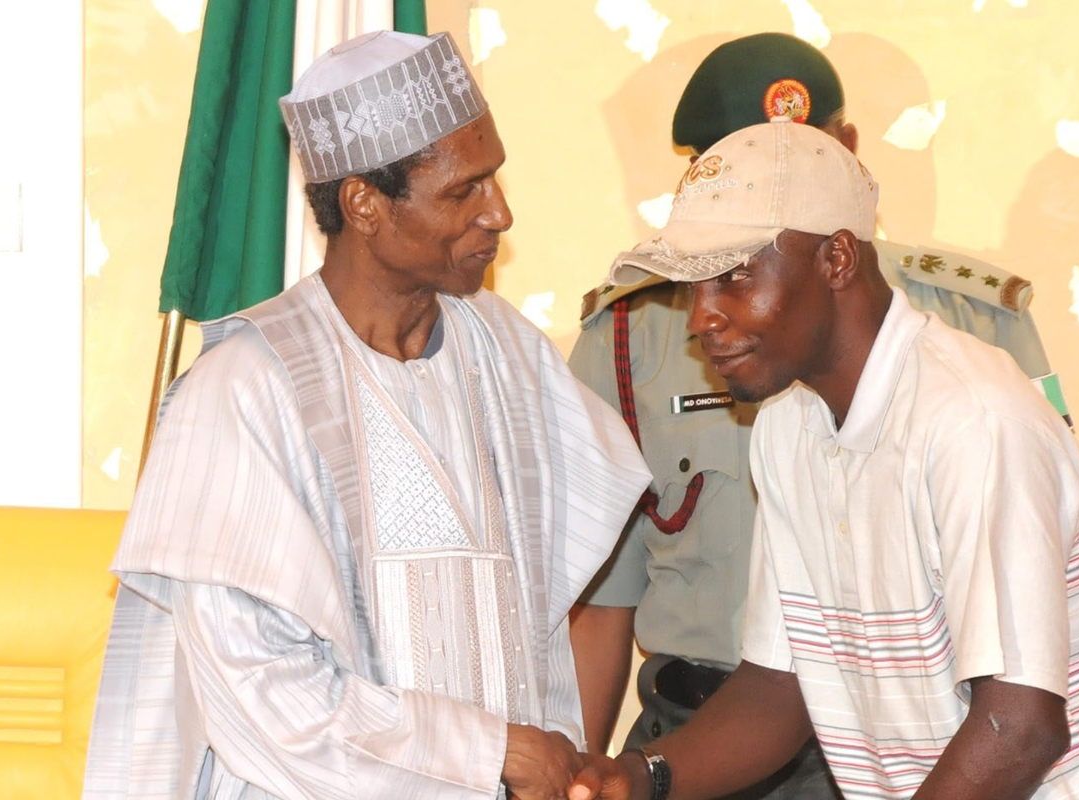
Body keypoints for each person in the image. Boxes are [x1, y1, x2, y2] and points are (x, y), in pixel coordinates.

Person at [81, 30, 652, 800]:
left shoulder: (511, 355)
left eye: (495, 179)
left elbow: (551, 622)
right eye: (464, 191)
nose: (501, 214)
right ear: (364, 204)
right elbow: (263, 697)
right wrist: (489, 753)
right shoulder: (245, 391)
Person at [568, 120, 1079, 800]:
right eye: (693, 286)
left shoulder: (972, 420)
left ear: (837, 259)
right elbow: (781, 689)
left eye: (734, 275)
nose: (701, 317)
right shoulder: (785, 427)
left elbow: (1021, 723)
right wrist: (640, 776)